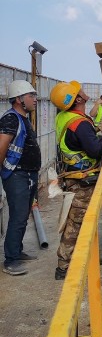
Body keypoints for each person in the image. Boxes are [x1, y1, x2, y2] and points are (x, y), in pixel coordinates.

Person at [50, 80, 102, 280]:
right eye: (78, 90)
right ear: (78, 99)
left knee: (78, 221)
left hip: (73, 176)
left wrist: (99, 128)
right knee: (76, 223)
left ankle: (74, 260)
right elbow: (96, 150)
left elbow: (80, 139)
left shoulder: (65, 116)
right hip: (82, 181)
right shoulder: (79, 124)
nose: (81, 90)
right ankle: (63, 267)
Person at [0, 80, 41, 276]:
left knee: (23, 215)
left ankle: (16, 251)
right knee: (18, 216)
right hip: (17, 174)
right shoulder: (11, 119)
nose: (35, 99)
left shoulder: (23, 118)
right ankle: (11, 260)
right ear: (18, 99)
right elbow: (2, 146)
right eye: (31, 95)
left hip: (27, 174)